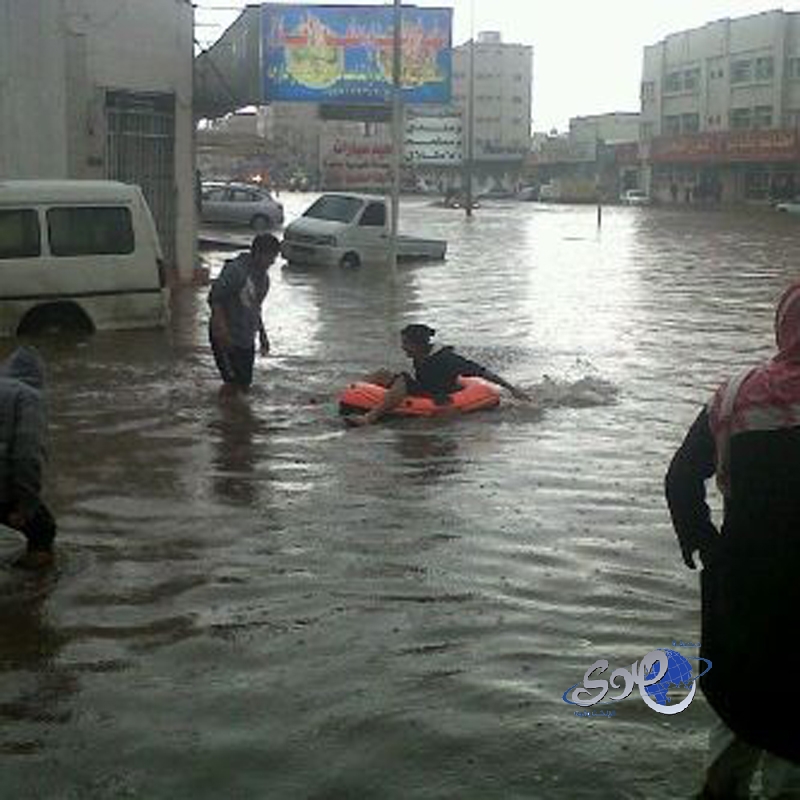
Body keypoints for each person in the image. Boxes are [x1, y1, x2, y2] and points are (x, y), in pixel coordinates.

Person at [665, 282, 800, 798]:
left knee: (739, 702)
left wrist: (704, 544)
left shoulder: (738, 393)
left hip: (745, 581)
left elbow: (681, 478)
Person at [346, 324, 531, 426]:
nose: (402, 347)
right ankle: (347, 393)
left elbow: (482, 372)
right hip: (425, 388)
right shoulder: (421, 354)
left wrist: (513, 389)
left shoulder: (446, 359)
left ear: (417, 345)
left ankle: (369, 418)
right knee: (383, 373)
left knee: (403, 378)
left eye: (405, 343)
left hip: (438, 395)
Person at [0, 346, 56, 569]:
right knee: (43, 529)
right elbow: (27, 456)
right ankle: (30, 593)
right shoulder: (28, 397)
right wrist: (27, 505)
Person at [208, 233, 280, 393]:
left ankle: (234, 415)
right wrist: (222, 330)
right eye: (271, 257)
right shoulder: (235, 271)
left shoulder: (263, 279)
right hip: (225, 336)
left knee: (245, 384)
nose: (273, 261)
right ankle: (226, 415)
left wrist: (263, 335)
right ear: (259, 253)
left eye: (274, 257)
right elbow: (214, 299)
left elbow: (255, 308)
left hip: (246, 338)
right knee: (233, 384)